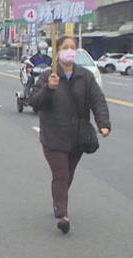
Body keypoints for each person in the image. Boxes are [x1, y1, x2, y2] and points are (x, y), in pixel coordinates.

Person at [29, 35, 111, 234]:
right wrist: (49, 88)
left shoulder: (85, 76)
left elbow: (97, 100)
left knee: (68, 174)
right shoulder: (48, 76)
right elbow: (34, 102)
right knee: (61, 174)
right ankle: (63, 214)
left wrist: (103, 124)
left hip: (77, 136)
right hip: (53, 136)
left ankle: (58, 201)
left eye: (72, 47)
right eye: (65, 47)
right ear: (57, 53)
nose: (69, 51)